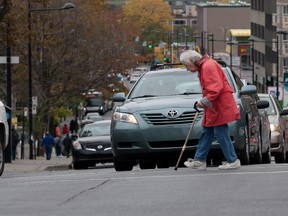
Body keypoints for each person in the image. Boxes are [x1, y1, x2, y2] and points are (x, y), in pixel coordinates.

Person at [179, 50, 241, 170]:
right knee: (209, 131)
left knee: (219, 132)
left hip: (218, 105)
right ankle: (200, 160)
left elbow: (215, 89)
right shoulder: (207, 65)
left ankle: (232, 160)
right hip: (216, 104)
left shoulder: (207, 66)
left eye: (187, 66)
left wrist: (204, 101)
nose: (187, 69)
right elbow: (215, 88)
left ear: (193, 62)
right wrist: (205, 101)